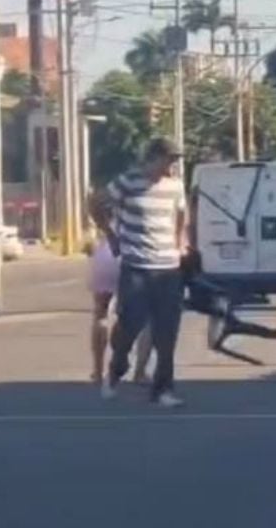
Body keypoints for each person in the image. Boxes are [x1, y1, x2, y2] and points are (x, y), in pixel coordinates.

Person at [94, 137, 188, 407]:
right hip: (136, 267)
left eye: (175, 161)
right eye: (168, 160)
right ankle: (115, 371)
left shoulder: (175, 185)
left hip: (168, 268)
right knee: (129, 326)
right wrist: (111, 235)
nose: (171, 166)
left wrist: (180, 242)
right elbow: (96, 202)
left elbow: (181, 214)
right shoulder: (128, 182)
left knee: (166, 333)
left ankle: (163, 390)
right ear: (153, 157)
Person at [87, 192, 153, 385]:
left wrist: (105, 227)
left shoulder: (115, 194)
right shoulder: (145, 198)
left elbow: (93, 201)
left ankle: (98, 372)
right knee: (147, 317)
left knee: (100, 313)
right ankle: (139, 371)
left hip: (106, 254)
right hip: (133, 256)